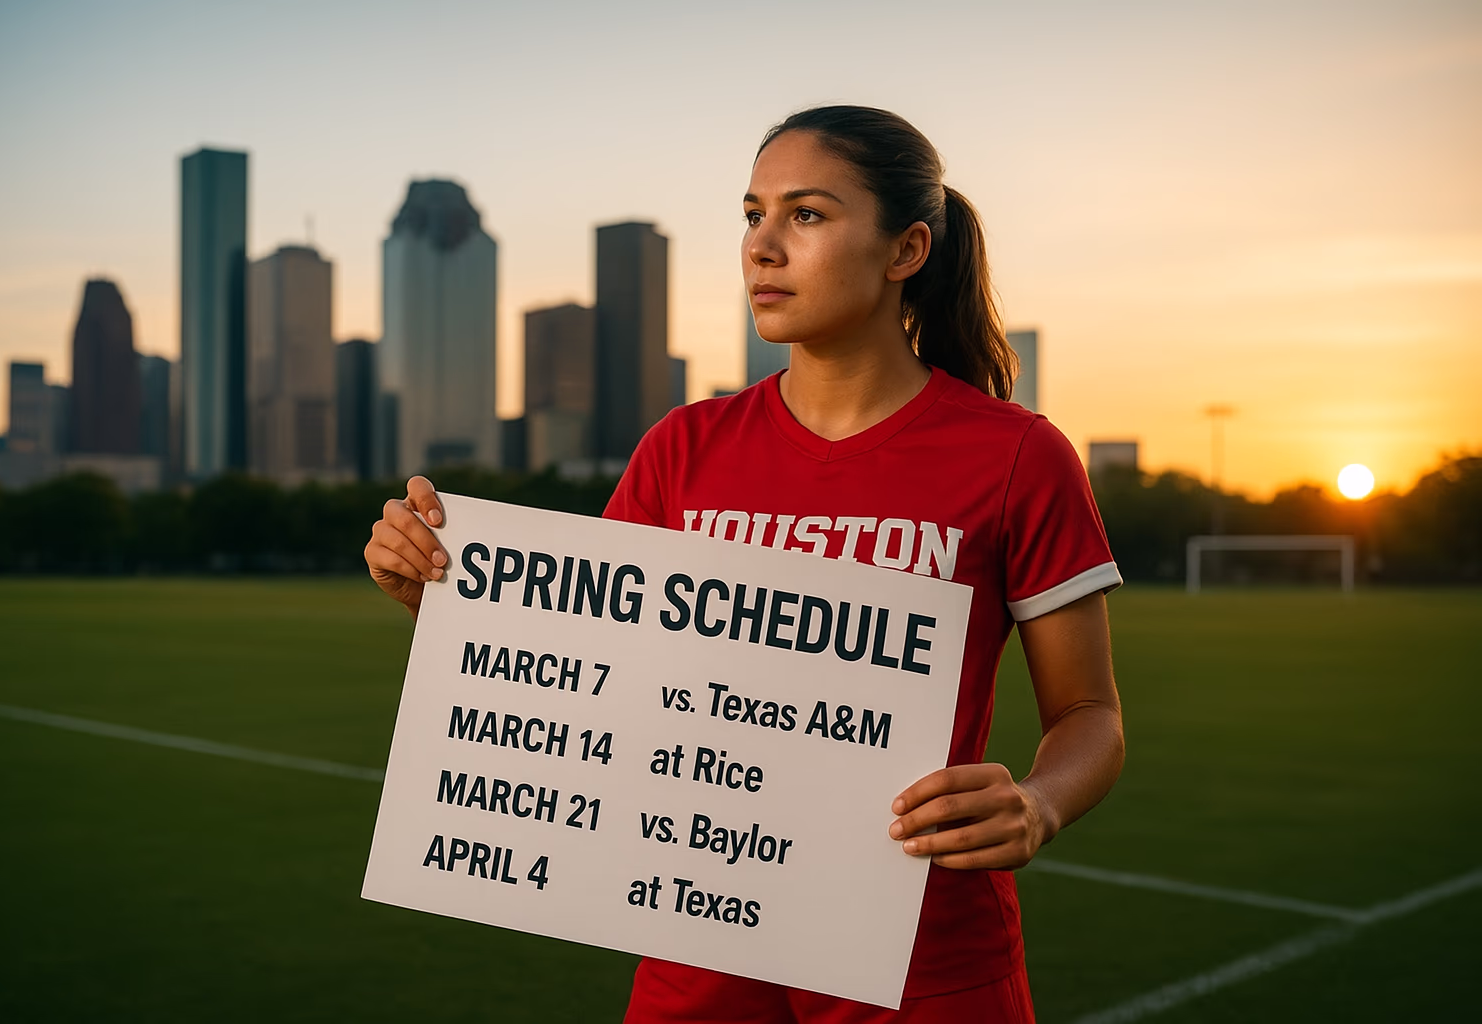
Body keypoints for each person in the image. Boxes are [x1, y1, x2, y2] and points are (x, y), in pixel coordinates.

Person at [364, 105, 1124, 1024]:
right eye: (752, 214)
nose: (762, 246)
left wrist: (1037, 805)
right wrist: (438, 593)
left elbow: (1089, 714)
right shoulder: (682, 448)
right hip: (698, 950)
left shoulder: (1018, 456)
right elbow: (593, 671)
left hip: (923, 956)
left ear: (907, 249)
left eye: (806, 215)